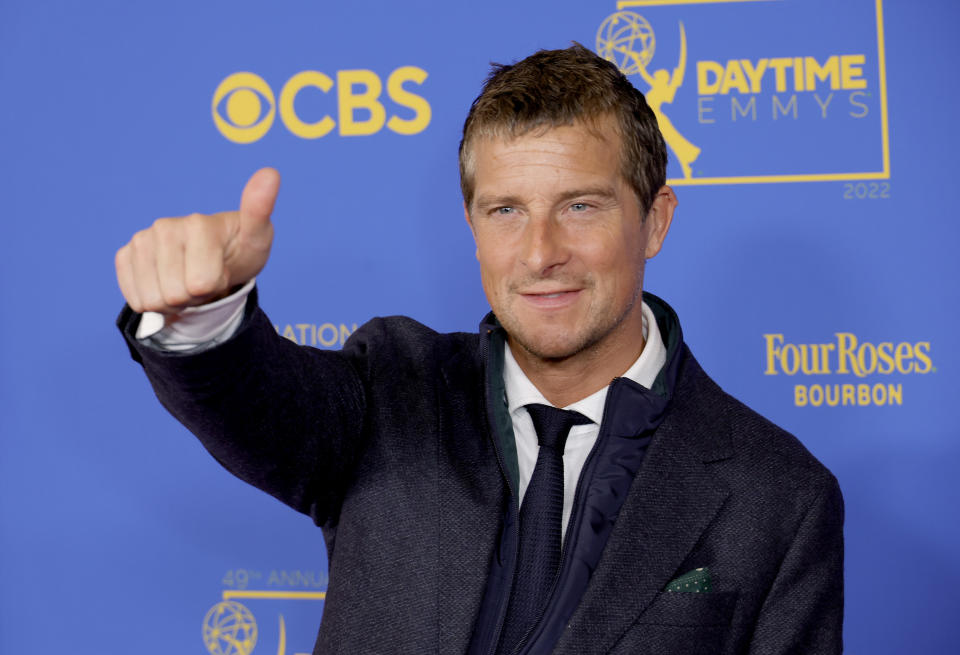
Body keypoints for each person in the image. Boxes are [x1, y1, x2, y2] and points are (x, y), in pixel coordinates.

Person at [116, 45, 843, 654]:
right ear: (472, 225)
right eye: (507, 211)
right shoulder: (392, 391)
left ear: (655, 221)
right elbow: (255, 400)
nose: (540, 253)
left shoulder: (778, 494)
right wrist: (201, 315)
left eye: (580, 206)